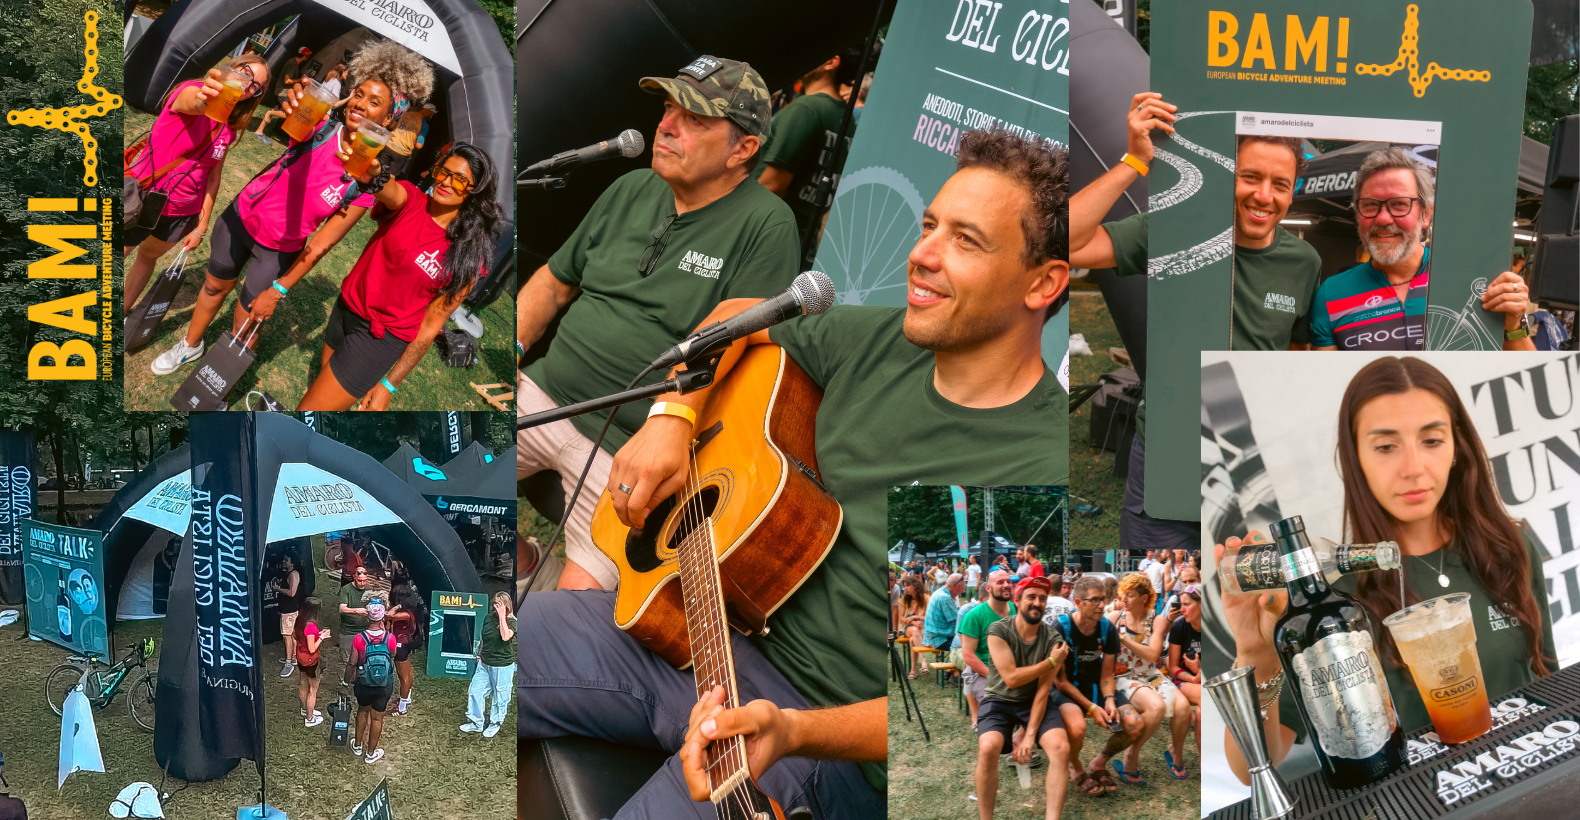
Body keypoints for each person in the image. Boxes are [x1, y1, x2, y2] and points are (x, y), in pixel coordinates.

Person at [524, 127, 1067, 817]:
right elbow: (731, 321)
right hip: (697, 631)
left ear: (1043, 283)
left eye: (967, 240)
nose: (923, 255)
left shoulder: (1045, 459)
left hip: (821, 738)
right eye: (929, 225)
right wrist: (672, 418)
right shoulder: (877, 338)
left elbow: (975, 696)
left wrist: (794, 729)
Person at [516, 56, 800, 594]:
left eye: (695, 118)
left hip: (631, 447)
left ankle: (538, 580)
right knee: (437, 494)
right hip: (542, 393)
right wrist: (512, 347)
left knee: (569, 626)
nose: (666, 125)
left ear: (743, 149)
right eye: (669, 109)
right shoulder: (630, 188)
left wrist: (668, 421)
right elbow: (554, 283)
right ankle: (525, 563)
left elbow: (733, 329)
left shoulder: (768, 223)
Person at [1218, 356, 1556, 784]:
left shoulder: (1510, 548)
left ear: (1457, 448)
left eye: (1432, 440)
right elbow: (1251, 770)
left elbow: (1549, 682)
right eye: (1385, 446)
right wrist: (1257, 656)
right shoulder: (1333, 602)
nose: (1413, 467)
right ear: (1356, 458)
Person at [151, 40, 435, 375]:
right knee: (213, 286)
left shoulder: (365, 183)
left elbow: (320, 245)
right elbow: (296, 121)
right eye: (358, 93)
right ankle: (191, 344)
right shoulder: (320, 125)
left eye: (374, 103)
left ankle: (220, 384)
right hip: (240, 218)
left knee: (248, 319)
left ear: (389, 119)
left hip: (276, 250)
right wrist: (293, 104)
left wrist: (279, 289)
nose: (359, 103)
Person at [279, 142, 503, 410]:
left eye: (460, 179)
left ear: (474, 191)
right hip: (345, 310)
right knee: (322, 393)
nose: (445, 182)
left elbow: (432, 324)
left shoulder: (468, 256)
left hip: (379, 339)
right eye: (443, 171)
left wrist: (389, 384)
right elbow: (391, 191)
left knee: (309, 411)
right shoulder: (412, 200)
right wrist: (376, 173)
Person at [1311, 147, 1534, 351]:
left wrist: (1514, 323)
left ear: (1426, 214)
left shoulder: (1472, 280)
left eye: (1399, 204)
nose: (1383, 218)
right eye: (1370, 204)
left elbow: (1530, 379)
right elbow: (1328, 387)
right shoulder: (1330, 294)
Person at [123, 55, 267, 314]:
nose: (247, 85)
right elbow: (195, 100)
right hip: (143, 197)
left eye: (256, 85)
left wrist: (201, 225)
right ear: (231, 67)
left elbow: (213, 175)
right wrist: (206, 99)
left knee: (146, 258)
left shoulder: (228, 129)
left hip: (180, 211)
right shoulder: (189, 92)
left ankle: (120, 310)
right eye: (245, 72)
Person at [975, 577, 1075, 820]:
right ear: (1017, 600)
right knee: (988, 748)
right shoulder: (998, 630)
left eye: (1042, 598)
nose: (1037, 602)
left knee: (1061, 749)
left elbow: (1043, 691)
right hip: (998, 699)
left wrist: (1029, 735)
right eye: (1031, 597)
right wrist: (1052, 661)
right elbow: (1011, 679)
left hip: (1034, 702)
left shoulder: (1053, 639)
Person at [754, 46, 866, 257]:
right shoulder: (845, 116)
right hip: (800, 241)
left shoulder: (806, 109)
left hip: (767, 239)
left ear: (831, 62)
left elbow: (772, 184)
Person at [1051, 576, 1140, 793]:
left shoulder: (1106, 628)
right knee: (1077, 727)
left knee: (1135, 725)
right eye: (1094, 601)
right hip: (1066, 688)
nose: (1101, 605)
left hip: (1096, 686)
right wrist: (1092, 707)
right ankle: (1076, 767)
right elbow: (1060, 681)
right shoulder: (1061, 627)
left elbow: (1107, 674)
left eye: (1103, 599)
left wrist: (1109, 699)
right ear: (1079, 602)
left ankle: (1099, 763)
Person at [1106, 573, 1184, 780]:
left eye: (1129, 595)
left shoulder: (1156, 620)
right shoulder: (1114, 618)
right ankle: (1132, 753)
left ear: (1144, 597)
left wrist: (1123, 638)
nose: (1123, 599)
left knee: (1183, 708)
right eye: (1123, 594)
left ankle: (1176, 753)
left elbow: (1152, 654)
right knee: (1156, 707)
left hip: (1150, 674)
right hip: (1124, 677)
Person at [959, 569, 1014, 729]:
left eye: (1008, 582)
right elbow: (968, 655)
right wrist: (994, 677)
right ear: (988, 588)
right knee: (994, 707)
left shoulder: (1017, 610)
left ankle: (1021, 740)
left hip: (1015, 670)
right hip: (985, 672)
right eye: (1000, 582)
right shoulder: (974, 616)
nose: (1006, 585)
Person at [344, 597, 396, 763]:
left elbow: (352, 662)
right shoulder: (390, 638)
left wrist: (346, 681)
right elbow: (392, 656)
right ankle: (371, 753)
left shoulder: (359, 638)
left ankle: (357, 745)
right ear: (382, 617)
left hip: (363, 682)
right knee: (377, 718)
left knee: (362, 711)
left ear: (368, 617)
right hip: (383, 685)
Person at [463, 592, 516, 738]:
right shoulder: (487, 618)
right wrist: (479, 655)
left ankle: (495, 723)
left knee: (500, 697)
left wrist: (502, 616)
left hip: (502, 666)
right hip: (484, 664)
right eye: (495, 603)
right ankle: (476, 723)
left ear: (506, 605)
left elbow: (505, 636)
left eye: (499, 604)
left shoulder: (512, 621)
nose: (496, 606)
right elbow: (483, 638)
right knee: (475, 691)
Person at [1165, 585, 1201, 775]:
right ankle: (1203, 761)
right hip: (1184, 680)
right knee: (1205, 700)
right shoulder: (1180, 625)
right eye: (1182, 604)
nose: (1183, 609)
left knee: (1202, 712)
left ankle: (1177, 753)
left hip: (1206, 679)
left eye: (1187, 604)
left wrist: (1201, 671)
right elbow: (1172, 667)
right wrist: (1193, 677)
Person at [252, 47, 313, 140]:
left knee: (275, 109)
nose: (307, 58)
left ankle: (259, 132)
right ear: (305, 56)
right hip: (283, 91)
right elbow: (287, 80)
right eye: (307, 56)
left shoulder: (294, 62)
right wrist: (300, 80)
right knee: (288, 114)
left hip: (281, 90)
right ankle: (269, 113)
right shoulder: (293, 64)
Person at [388, 580, 425, 716]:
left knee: (403, 677)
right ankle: (406, 698)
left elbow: (389, 615)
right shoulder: (412, 610)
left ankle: (402, 707)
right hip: (405, 644)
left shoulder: (405, 614)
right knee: (408, 673)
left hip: (400, 645)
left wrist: (396, 606)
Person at [293, 596, 328, 727]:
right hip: (310, 660)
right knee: (313, 689)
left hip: (300, 656)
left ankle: (304, 709)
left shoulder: (300, 620)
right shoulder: (311, 626)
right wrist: (322, 637)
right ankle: (310, 718)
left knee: (303, 683)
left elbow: (294, 635)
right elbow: (312, 648)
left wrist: (318, 635)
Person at [922, 572, 965, 673]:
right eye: (963, 587)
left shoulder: (939, 592)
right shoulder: (945, 597)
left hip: (932, 637)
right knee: (971, 643)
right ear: (956, 586)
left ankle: (950, 671)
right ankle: (956, 675)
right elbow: (959, 619)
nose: (964, 590)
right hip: (939, 639)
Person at [337, 565, 372, 681]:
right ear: (354, 577)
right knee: (346, 658)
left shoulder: (369, 589)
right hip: (348, 629)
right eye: (359, 581)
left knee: (363, 657)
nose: (362, 583)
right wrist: (356, 610)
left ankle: (359, 680)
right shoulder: (346, 589)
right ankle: (345, 682)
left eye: (364, 581)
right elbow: (342, 609)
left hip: (365, 629)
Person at [383, 100, 436, 177]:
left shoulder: (405, 113)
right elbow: (419, 145)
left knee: (378, 168)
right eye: (431, 114)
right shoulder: (424, 125)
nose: (431, 117)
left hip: (389, 145)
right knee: (390, 177)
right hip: (401, 153)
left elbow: (391, 126)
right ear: (428, 112)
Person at [271, 554, 302, 677]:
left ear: (292, 563)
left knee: (287, 636)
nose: (284, 562)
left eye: (286, 560)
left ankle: (288, 663)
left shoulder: (293, 574)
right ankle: (293, 658)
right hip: (287, 609)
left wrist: (278, 589)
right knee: (291, 634)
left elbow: (292, 593)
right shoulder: (288, 573)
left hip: (289, 611)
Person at [899, 574, 929, 677]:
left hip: (922, 626)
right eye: (904, 586)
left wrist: (915, 616)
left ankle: (913, 671)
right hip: (910, 627)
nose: (905, 588)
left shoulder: (926, 598)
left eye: (907, 585)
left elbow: (931, 617)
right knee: (915, 631)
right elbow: (901, 618)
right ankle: (923, 661)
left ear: (915, 586)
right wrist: (912, 621)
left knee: (912, 640)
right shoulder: (904, 599)